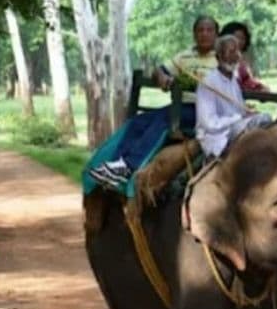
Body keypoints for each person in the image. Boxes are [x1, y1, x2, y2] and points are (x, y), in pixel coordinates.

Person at [87, 15, 218, 187]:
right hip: (180, 107)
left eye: (209, 30)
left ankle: (130, 165)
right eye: (200, 30)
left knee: (164, 119)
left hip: (205, 111)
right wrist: (162, 76)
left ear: (216, 34)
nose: (204, 34)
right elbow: (160, 70)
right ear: (194, 34)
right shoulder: (185, 56)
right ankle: (116, 164)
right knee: (139, 121)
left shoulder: (222, 57)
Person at [196, 35, 273, 159]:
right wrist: (239, 118)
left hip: (236, 126)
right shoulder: (208, 82)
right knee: (261, 121)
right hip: (217, 136)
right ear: (218, 57)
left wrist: (247, 112)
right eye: (231, 51)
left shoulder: (233, 80)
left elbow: (239, 111)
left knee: (265, 118)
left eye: (238, 51)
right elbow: (209, 123)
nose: (237, 56)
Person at [220, 20, 268, 92]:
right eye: (236, 37)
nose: (239, 41)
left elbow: (247, 81)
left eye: (242, 38)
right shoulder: (217, 60)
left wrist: (260, 87)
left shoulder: (241, 65)